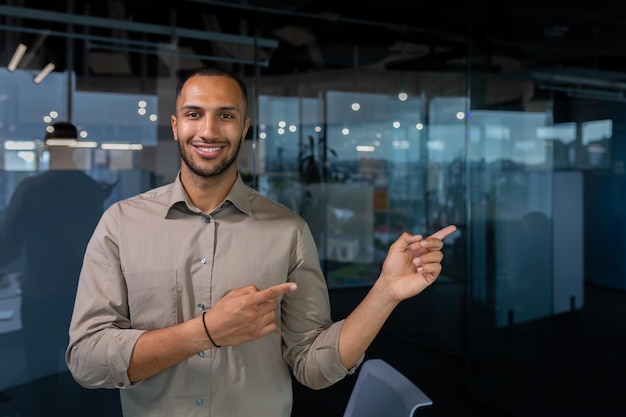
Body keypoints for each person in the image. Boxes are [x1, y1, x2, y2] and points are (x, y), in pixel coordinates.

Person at [66, 66, 457, 417]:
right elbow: (86, 360)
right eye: (193, 114)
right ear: (174, 125)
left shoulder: (288, 230)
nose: (208, 130)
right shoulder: (120, 224)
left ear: (245, 126)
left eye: (226, 115)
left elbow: (314, 367)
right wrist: (206, 332)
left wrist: (385, 292)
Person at [0, 122, 111, 404]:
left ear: (48, 146)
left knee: (41, 377)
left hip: (41, 292)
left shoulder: (32, 188)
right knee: (86, 378)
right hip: (82, 294)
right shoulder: (89, 187)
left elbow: (10, 241)